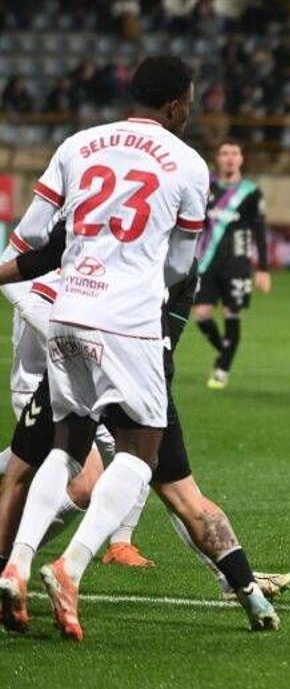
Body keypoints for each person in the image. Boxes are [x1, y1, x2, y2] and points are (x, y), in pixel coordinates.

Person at [0, 55, 269, 642]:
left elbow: (35, 235)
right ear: (175, 106)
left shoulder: (78, 144)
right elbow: (178, 264)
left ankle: (14, 567)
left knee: (65, 449)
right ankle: (69, 569)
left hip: (65, 310)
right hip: (127, 321)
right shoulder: (188, 164)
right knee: (141, 454)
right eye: (190, 103)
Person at [0, 221, 290, 635]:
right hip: (132, 363)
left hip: (72, 345)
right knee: (170, 484)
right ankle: (72, 566)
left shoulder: (92, 200)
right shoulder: (177, 246)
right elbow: (167, 331)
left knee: (34, 467)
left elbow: (42, 259)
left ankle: (16, 565)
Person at [0, 215, 154, 568]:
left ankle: (120, 543)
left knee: (138, 449)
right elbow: (32, 296)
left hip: (81, 384)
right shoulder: (61, 232)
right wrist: (83, 348)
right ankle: (13, 562)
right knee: (85, 484)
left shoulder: (105, 251)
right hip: (42, 385)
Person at [193, 139, 271, 390]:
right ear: (217, 158)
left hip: (237, 264)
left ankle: (222, 370)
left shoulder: (250, 192)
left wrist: (263, 269)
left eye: (234, 153)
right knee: (202, 315)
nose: (229, 158)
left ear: (241, 158)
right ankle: (225, 350)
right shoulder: (207, 189)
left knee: (231, 313)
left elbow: (260, 230)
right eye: (224, 153)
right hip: (207, 262)